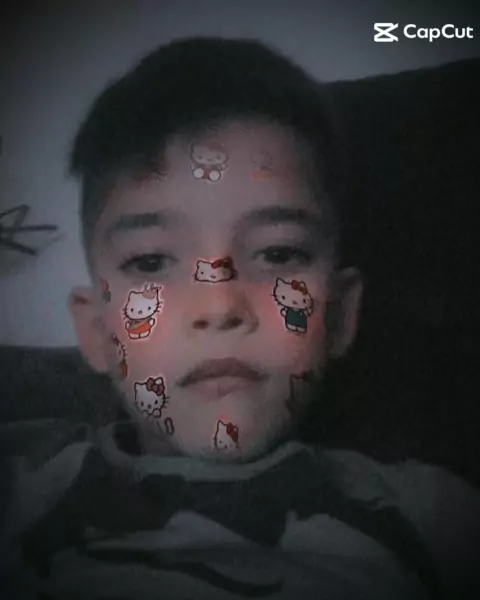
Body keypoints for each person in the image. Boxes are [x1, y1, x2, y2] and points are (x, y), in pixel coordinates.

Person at [1, 36, 479, 600]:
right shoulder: (27, 483)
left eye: (278, 254)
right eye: (150, 262)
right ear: (98, 332)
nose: (220, 306)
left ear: (341, 314)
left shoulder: (434, 514)